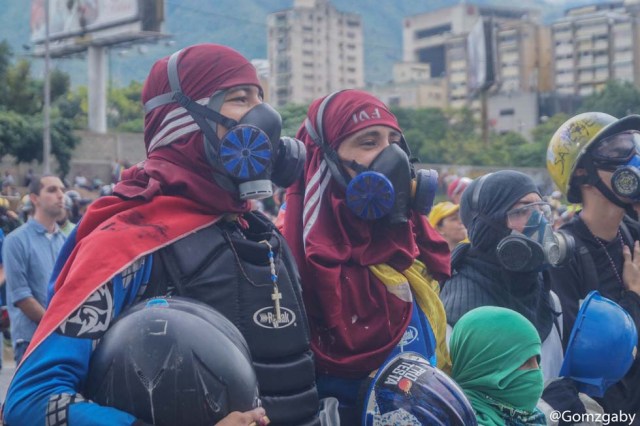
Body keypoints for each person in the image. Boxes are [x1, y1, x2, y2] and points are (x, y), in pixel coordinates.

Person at [4, 44, 331, 426]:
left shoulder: (260, 234)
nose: (264, 118)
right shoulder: (126, 244)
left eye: (261, 98)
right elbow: (31, 401)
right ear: (183, 119)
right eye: (240, 99)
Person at [283, 89, 451, 423]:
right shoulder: (289, 271)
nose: (392, 159)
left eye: (394, 142)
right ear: (325, 160)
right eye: (368, 142)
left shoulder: (411, 256)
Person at [545, 112, 640, 419]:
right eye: (617, 150)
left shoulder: (633, 232)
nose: (632, 159)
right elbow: (590, 354)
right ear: (583, 173)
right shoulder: (563, 253)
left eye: (633, 146)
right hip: (606, 412)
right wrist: (634, 298)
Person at [439, 171, 567, 381]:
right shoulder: (455, 318)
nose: (540, 222)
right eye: (521, 211)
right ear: (485, 227)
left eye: (541, 210)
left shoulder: (549, 300)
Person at [2, 175, 66, 364]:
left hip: (62, 341)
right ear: (34, 198)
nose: (61, 195)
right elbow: (22, 297)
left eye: (62, 190)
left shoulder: (65, 242)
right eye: (52, 190)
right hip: (31, 341)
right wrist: (57, 326)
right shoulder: (16, 240)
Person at [450, 306, 546, 426]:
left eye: (537, 360)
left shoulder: (530, 417)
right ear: (485, 365)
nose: (537, 371)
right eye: (525, 362)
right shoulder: (458, 421)